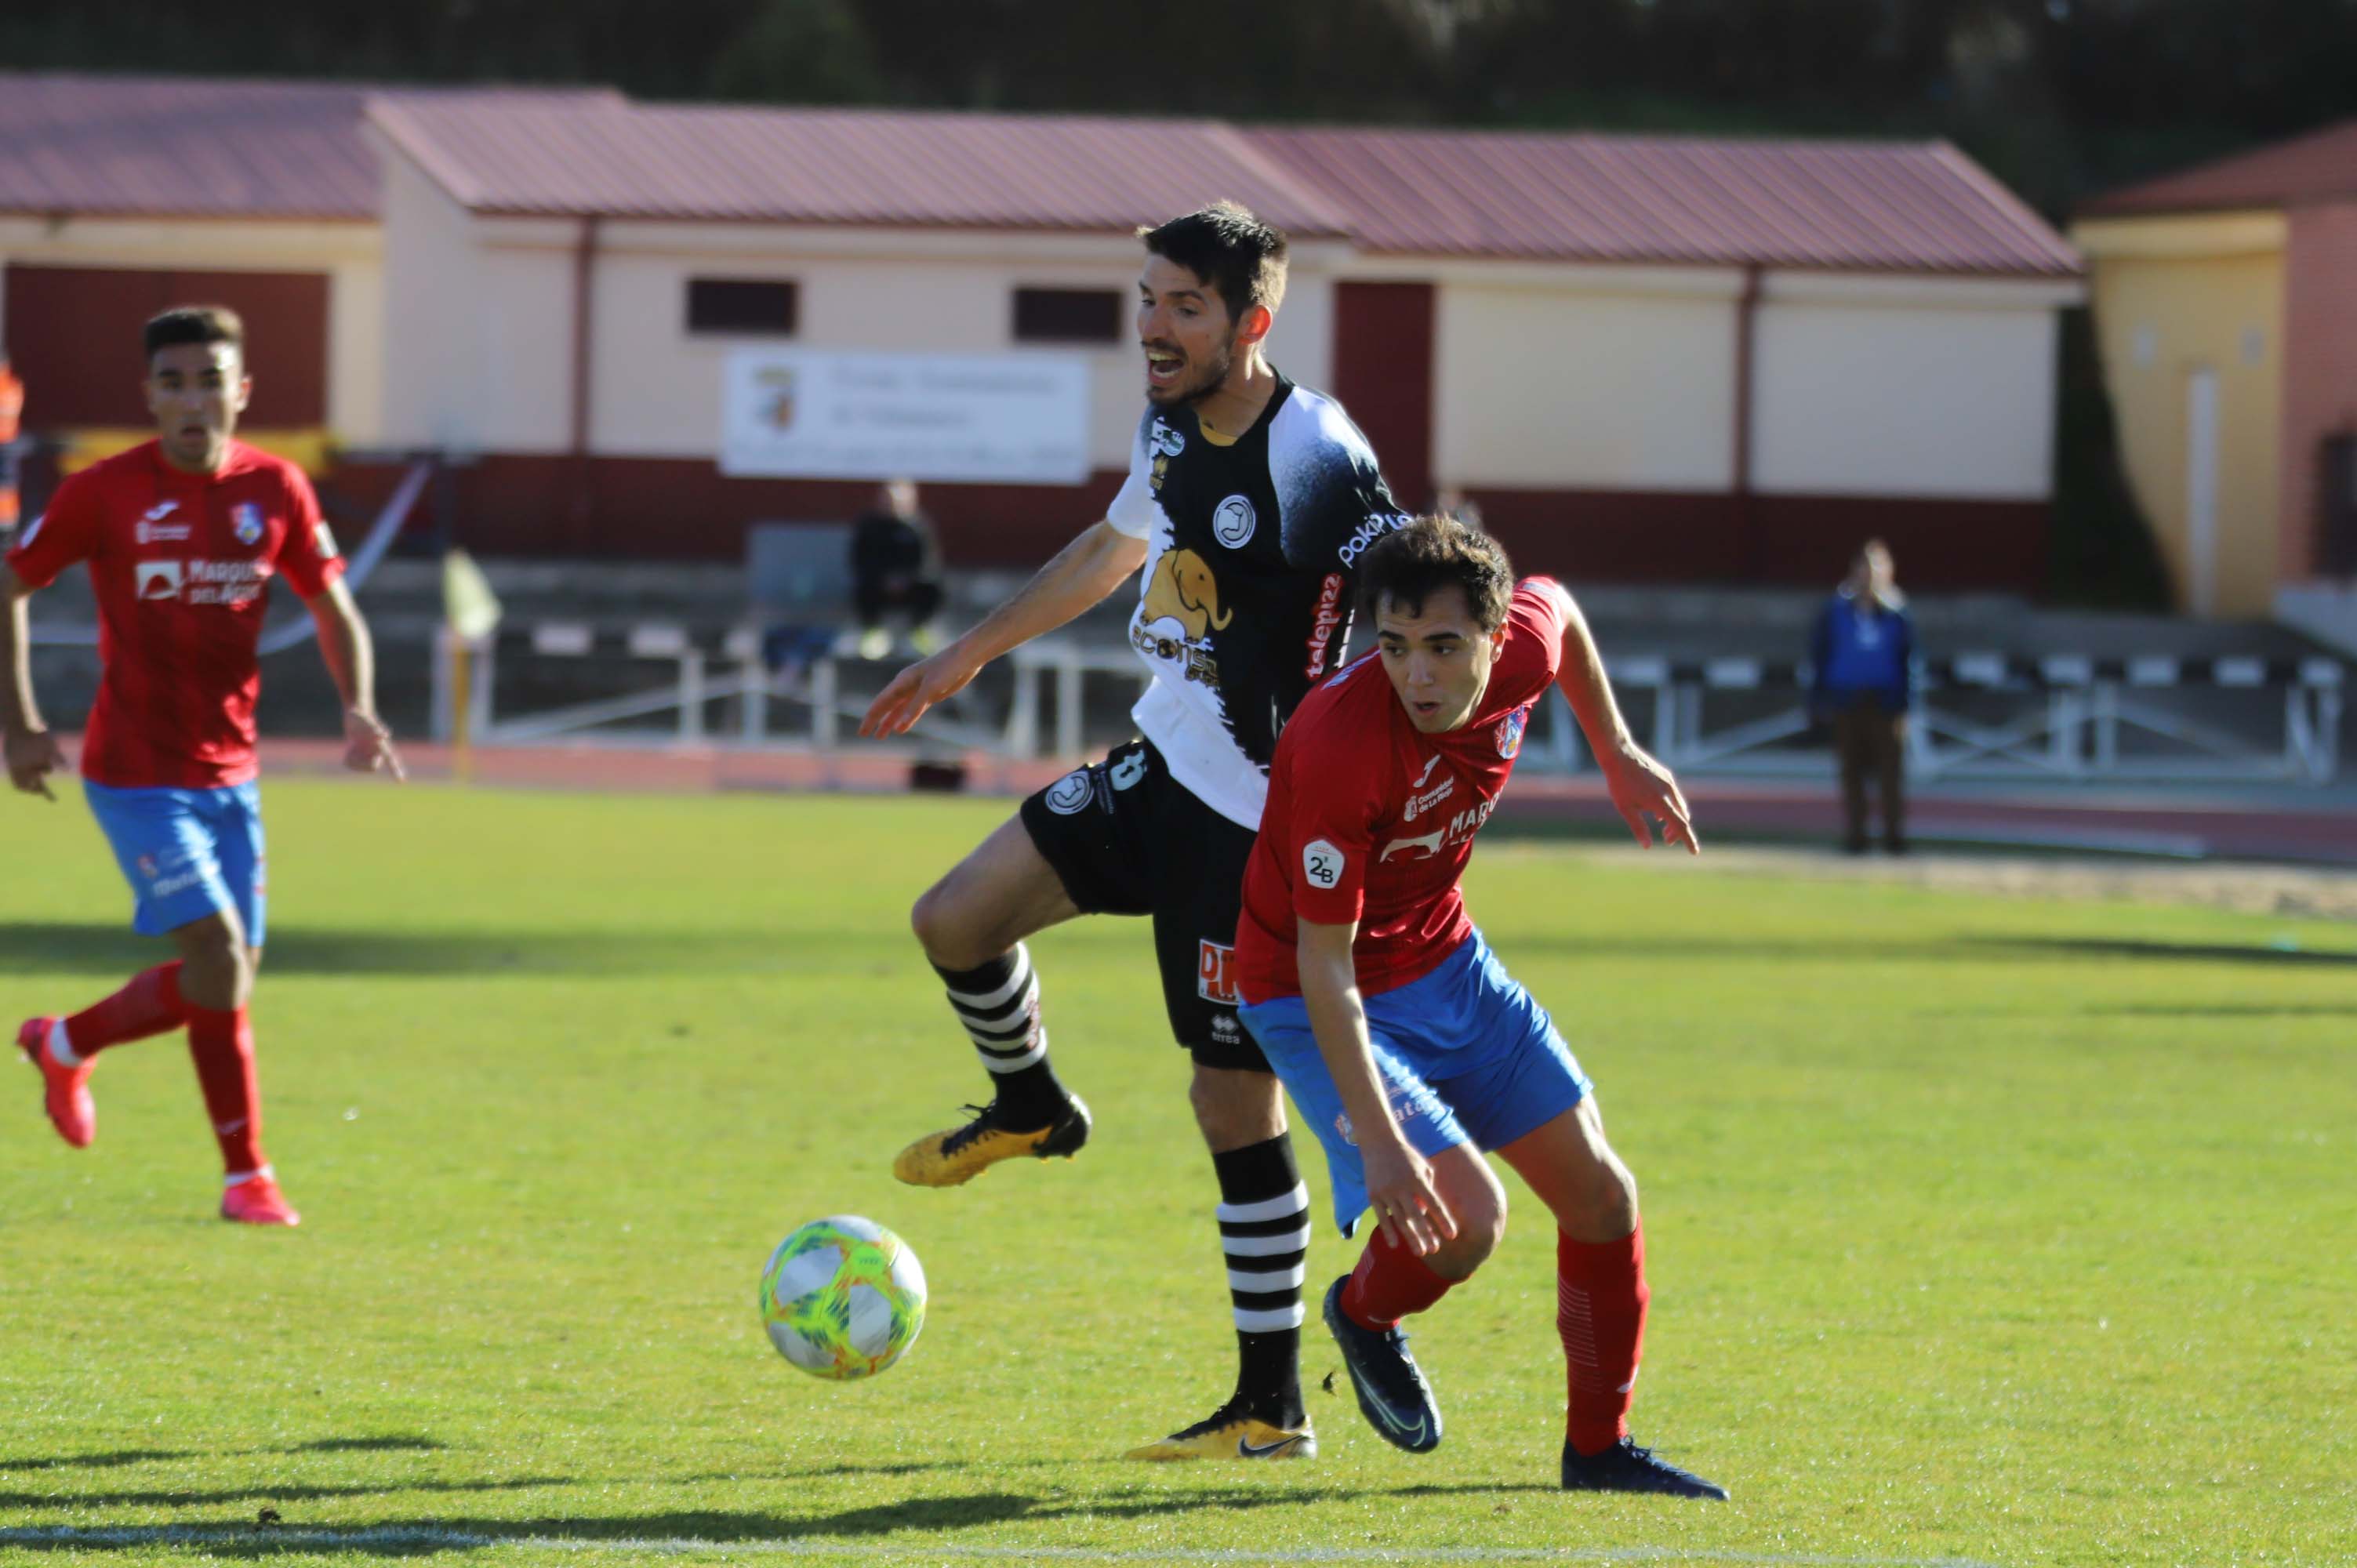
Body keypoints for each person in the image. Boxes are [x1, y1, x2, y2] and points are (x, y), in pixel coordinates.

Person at [860, 202, 1411, 1461]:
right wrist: (963, 653)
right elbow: (1115, 547)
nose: (1152, 327)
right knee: (952, 918)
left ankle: (1269, 1409)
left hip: (1255, 826)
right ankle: (1032, 1104)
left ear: (1250, 324)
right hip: (1163, 767)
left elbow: (1408, 610)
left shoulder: (1315, 451)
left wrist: (1397, 794)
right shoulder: (1166, 423)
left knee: (1232, 1107)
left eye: (1183, 307)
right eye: (1148, 299)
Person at [1231, 516, 1728, 1499]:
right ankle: (1364, 1312)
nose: (1418, 673)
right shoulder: (1337, 745)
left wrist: (1616, 748)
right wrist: (1378, 1142)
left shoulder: (1528, 645)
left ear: (1497, 642)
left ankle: (1598, 1451)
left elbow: (1565, 612)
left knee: (1601, 1195)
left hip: (1445, 958)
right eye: (1396, 645)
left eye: (1445, 646)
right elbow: (1326, 967)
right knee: (1466, 1221)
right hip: (1307, 986)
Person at [4, 305, 404, 1227]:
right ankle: (248, 1175)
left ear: (241, 391)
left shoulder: (278, 489)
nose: (193, 400)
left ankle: (64, 1043)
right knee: (219, 958)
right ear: (149, 395)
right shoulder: (101, 493)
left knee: (228, 977)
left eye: (210, 380)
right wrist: (21, 723)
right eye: (174, 383)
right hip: (136, 772)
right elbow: (10, 587)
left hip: (232, 775)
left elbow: (335, 605)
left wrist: (360, 706)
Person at [1808, 539, 1913, 855]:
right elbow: (1821, 654)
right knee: (1851, 773)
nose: (1870, 574)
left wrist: (1906, 699)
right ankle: (1856, 836)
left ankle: (1894, 838)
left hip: (1886, 703)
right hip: (1847, 700)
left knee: (1890, 775)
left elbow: (1909, 659)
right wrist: (1819, 698)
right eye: (1865, 567)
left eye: (1877, 567)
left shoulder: (1897, 614)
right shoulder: (1837, 611)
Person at [848, 478, 946, 661]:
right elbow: (859, 560)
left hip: (911, 585)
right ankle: (873, 632)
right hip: (878, 585)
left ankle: (920, 630)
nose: (891, 505)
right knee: (862, 587)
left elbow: (928, 562)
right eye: (887, 500)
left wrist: (905, 580)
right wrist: (883, 579)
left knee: (933, 587)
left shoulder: (918, 527)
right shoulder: (869, 527)